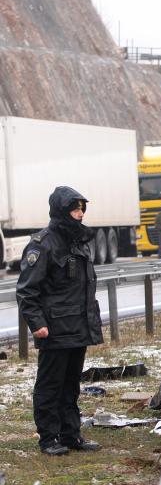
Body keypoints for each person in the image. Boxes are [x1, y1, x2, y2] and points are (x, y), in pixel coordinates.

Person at [16, 186, 103, 456]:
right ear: (62, 211)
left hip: (77, 326)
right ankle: (49, 438)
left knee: (71, 385)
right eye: (75, 209)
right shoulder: (43, 244)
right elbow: (27, 290)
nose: (80, 214)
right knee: (50, 385)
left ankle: (71, 434)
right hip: (54, 329)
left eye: (82, 208)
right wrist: (37, 323)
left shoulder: (77, 241)